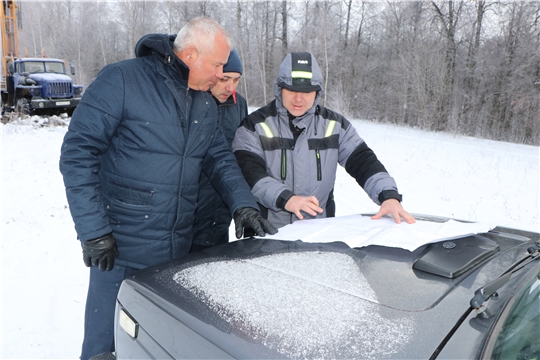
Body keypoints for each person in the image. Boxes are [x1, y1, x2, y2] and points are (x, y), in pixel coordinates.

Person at [59, 17, 277, 360]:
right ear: (191, 54)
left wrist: (243, 205)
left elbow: (218, 159)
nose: (222, 75)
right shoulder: (123, 80)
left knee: (154, 344)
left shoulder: (204, 102)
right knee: (106, 346)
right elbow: (77, 154)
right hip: (119, 249)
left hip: (175, 251)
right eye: (218, 65)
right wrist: (94, 230)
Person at [232, 51, 415, 231]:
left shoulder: (335, 126)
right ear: (279, 89)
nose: (298, 98)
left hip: (318, 233)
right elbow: (250, 175)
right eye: (291, 89)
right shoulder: (253, 126)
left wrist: (388, 196)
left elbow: (363, 162)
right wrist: (286, 198)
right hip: (268, 232)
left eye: (306, 92)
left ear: (317, 93)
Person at [191, 49, 248, 251]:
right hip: (189, 217)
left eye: (236, 80)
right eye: (224, 79)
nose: (230, 87)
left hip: (220, 215)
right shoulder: (189, 101)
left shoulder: (238, 103)